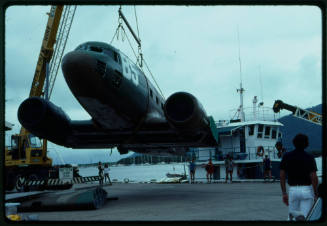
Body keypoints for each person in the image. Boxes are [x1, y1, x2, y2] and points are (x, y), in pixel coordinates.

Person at [280, 133, 318, 221]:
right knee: (305, 217)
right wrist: (316, 192)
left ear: (294, 143)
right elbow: (313, 177)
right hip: (306, 190)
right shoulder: (309, 157)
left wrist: (284, 193)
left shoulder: (286, 156)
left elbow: (282, 176)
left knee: (292, 217)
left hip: (293, 190)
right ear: (306, 144)